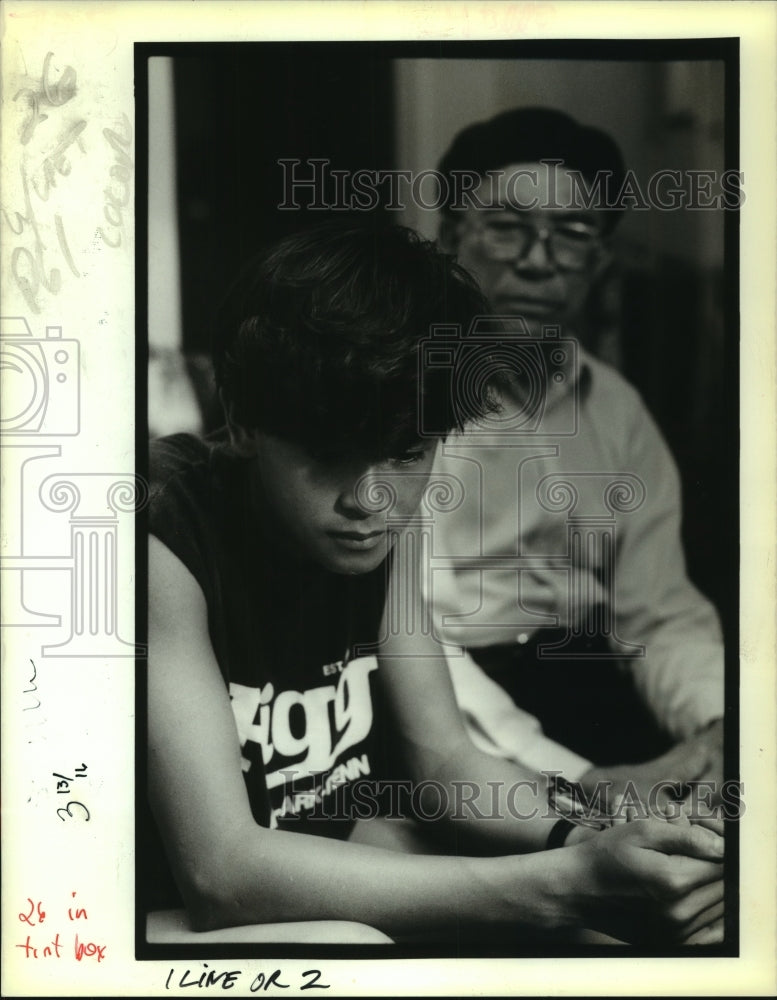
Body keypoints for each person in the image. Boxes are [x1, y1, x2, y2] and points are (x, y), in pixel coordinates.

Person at [145, 221, 724, 947]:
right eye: (329, 457)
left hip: (325, 851)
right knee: (369, 941)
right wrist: (562, 886)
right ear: (243, 422)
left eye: (408, 455)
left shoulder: (389, 515)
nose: (370, 499)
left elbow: (444, 760)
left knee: (649, 926)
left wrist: (587, 834)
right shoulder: (164, 529)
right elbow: (221, 874)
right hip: (162, 915)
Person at [426, 107, 726, 826]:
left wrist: (718, 727)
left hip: (592, 686)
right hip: (448, 710)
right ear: (446, 240)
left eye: (570, 235)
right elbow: (404, 642)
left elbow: (657, 615)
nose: (536, 259)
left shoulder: (616, 408)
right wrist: (581, 779)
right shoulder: (398, 402)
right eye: (504, 227)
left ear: (598, 265)